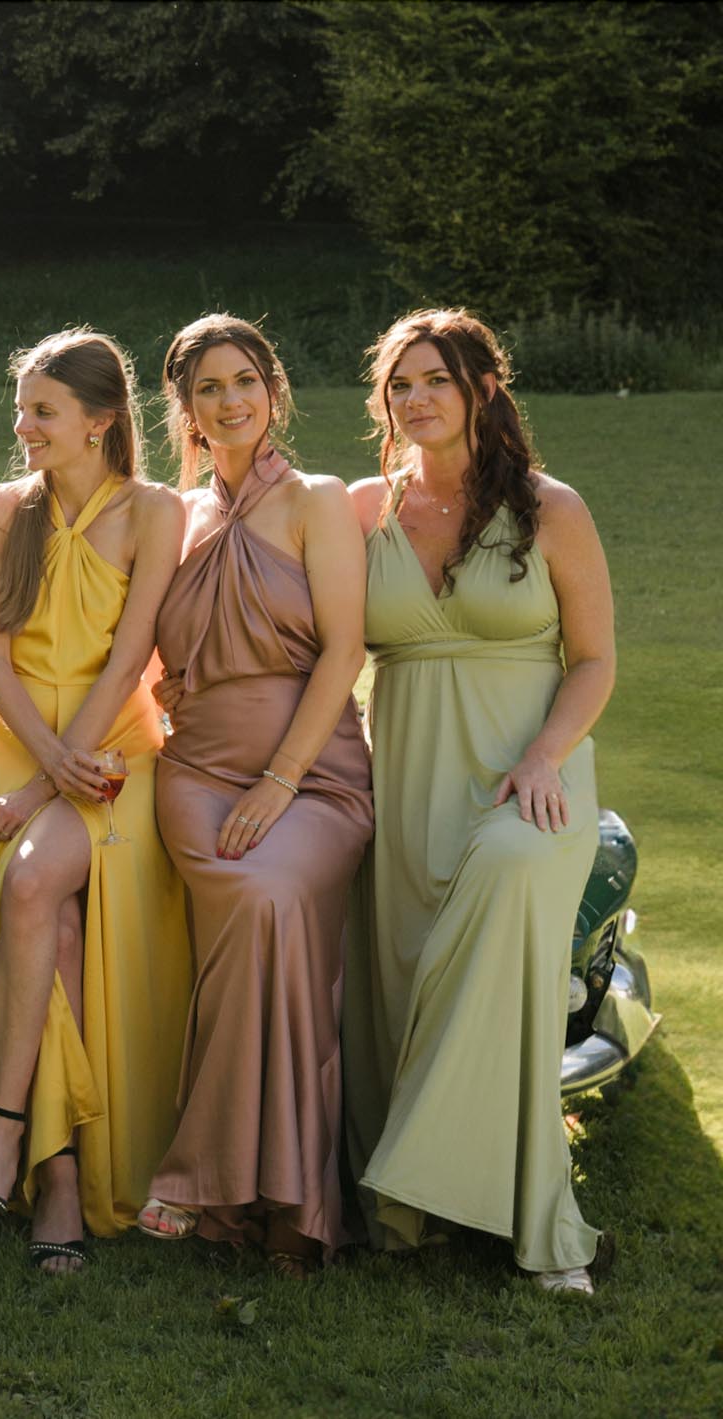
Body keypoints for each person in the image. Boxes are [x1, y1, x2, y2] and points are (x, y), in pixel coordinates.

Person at [344, 309, 615, 1295]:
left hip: (529, 772)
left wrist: (544, 756)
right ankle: (409, 1204)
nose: (415, 399)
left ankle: (524, 1207)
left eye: (435, 381)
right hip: (407, 770)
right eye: (399, 385)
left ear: (481, 391)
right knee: (402, 966)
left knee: (505, 870)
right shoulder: (359, 511)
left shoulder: (550, 508)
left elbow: (593, 660)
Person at [0, 328, 188, 1273]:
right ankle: (60, 1175)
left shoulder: (156, 511)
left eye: (43, 411)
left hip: (114, 752)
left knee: (35, 886)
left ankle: (4, 1127)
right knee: (55, 924)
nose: (23, 427)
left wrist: (57, 776)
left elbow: (130, 658)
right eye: (22, 409)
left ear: (101, 420)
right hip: (15, 740)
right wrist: (38, 763)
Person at [134, 315, 372, 1275]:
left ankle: (215, 1177)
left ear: (274, 391)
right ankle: (280, 1198)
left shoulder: (317, 501)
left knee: (271, 895)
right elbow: (137, 649)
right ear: (185, 409)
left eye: (245, 381)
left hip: (315, 777)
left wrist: (280, 781)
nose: (230, 401)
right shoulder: (174, 518)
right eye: (209, 388)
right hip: (196, 774)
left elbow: (344, 653)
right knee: (254, 901)